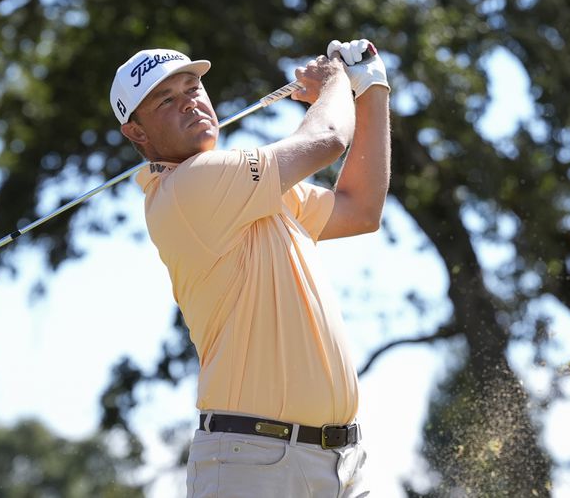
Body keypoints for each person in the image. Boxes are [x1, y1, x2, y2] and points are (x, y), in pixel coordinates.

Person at [109, 38, 391, 497]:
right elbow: (327, 140)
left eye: (193, 88)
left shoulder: (248, 190)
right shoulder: (191, 186)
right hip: (255, 464)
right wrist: (337, 81)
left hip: (341, 463)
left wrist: (372, 89)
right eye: (166, 100)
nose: (189, 104)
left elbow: (360, 209)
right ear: (137, 133)